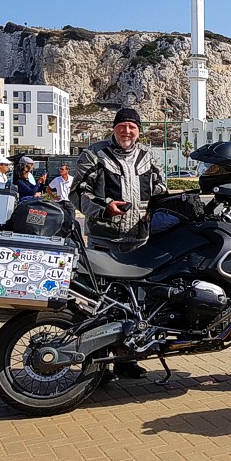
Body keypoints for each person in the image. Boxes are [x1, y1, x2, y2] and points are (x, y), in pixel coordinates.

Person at [70, 107, 166, 381]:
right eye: (122, 126)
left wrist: (158, 212)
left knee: (135, 305)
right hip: (105, 241)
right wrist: (104, 207)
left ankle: (127, 361)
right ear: (114, 128)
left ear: (139, 130)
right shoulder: (95, 155)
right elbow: (79, 193)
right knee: (100, 305)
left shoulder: (149, 157)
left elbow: (160, 191)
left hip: (140, 242)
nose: (127, 131)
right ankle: (97, 366)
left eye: (132, 127)